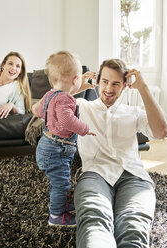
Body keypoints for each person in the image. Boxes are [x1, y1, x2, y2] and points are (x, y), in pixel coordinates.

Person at [74, 59, 167, 247]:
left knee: (133, 226)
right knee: (94, 220)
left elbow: (162, 132)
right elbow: (40, 110)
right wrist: (77, 87)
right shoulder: (82, 106)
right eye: (105, 82)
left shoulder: (134, 112)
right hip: (95, 174)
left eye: (116, 83)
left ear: (125, 86)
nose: (109, 88)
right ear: (97, 81)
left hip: (134, 176)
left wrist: (143, 88)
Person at [32, 51, 96, 227]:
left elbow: (37, 111)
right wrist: (85, 129)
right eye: (79, 80)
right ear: (76, 79)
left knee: (57, 181)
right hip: (57, 150)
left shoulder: (50, 95)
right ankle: (57, 216)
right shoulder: (66, 99)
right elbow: (67, 120)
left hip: (46, 146)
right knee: (62, 183)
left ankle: (61, 203)